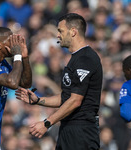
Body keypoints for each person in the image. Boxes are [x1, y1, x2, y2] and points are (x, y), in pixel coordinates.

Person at [15, 13, 103, 150]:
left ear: (73, 32)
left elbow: (75, 101)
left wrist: (46, 123)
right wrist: (38, 100)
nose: (58, 35)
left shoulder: (86, 59)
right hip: (68, 129)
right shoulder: (75, 59)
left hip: (82, 132)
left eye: (60, 31)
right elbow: (66, 97)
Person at [119, 54, 131, 123]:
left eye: (124, 72)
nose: (124, 75)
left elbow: (127, 114)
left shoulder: (128, 86)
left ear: (129, 70)